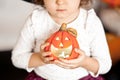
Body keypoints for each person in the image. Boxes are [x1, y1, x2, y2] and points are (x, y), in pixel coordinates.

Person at [11, 0, 112, 80]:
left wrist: (84, 62)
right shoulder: (36, 20)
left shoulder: (90, 22)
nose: (60, 1)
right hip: (42, 77)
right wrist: (40, 58)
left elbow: (105, 65)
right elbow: (17, 58)